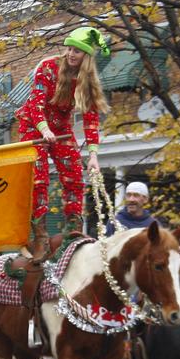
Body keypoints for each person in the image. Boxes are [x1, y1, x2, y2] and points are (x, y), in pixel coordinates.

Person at [15, 26, 110, 260]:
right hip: (33, 125)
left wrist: (94, 155)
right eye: (69, 48)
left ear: (86, 57)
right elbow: (36, 104)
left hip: (60, 129)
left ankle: (73, 231)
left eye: (77, 51)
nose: (71, 54)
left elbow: (90, 119)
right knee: (40, 179)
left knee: (74, 174)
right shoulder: (49, 67)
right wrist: (44, 129)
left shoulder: (85, 81)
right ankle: (40, 235)